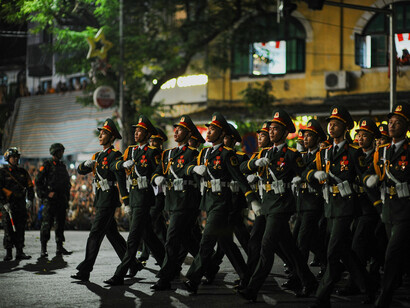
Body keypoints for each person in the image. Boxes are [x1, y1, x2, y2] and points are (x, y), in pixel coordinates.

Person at [238, 109, 317, 301]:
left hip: (281, 206)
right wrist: (255, 163)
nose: (271, 132)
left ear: (284, 132)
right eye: (270, 129)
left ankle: (252, 289)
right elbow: (242, 168)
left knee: (266, 246)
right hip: (267, 205)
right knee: (290, 249)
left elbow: (305, 171)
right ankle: (309, 281)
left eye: (276, 129)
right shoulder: (264, 152)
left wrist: (302, 179)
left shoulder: (290, 155)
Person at [303, 106, 374, 307]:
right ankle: (369, 286)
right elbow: (305, 172)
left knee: (333, 251)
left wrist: (373, 191)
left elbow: (364, 174)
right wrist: (314, 176)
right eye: (329, 123)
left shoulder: (353, 152)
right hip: (330, 207)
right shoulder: (324, 153)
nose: (331, 126)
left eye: (335, 124)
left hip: (347, 207)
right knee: (344, 252)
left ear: (345, 128)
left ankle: (321, 296)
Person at [183, 112, 260, 294]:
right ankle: (246, 276)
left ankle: (193, 279)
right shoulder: (204, 152)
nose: (209, 132)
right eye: (209, 128)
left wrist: (252, 200)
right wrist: (193, 168)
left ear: (222, 133)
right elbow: (186, 168)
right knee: (226, 243)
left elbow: (239, 178)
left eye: (213, 129)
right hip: (208, 201)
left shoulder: (227, 154)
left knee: (207, 240)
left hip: (222, 203)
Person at [71, 119, 143, 282]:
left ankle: (85, 270)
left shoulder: (115, 155)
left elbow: (120, 179)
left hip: (109, 199)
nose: (100, 135)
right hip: (100, 199)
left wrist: (125, 201)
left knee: (95, 234)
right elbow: (81, 171)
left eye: (104, 133)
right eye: (100, 133)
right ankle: (133, 263)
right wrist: (84, 164)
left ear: (111, 138)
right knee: (112, 234)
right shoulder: (98, 156)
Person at [104, 115, 165, 286]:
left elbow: (159, 169)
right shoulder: (130, 151)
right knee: (149, 236)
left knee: (133, 238)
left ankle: (119, 274)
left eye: (140, 131)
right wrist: (121, 165)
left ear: (147, 135)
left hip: (145, 198)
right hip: (134, 197)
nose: (136, 133)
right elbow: (112, 166)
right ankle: (169, 267)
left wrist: (156, 177)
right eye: (136, 130)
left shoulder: (153, 152)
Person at [364, 103, 410, 308]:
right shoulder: (381, 151)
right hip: (388, 208)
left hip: (406, 209)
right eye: (390, 122)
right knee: (399, 252)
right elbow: (365, 171)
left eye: (397, 122)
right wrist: (370, 180)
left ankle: (385, 297)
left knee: (392, 254)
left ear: (406, 126)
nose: (391, 125)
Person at [150, 115, 202, 290]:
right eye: (176, 129)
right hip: (172, 201)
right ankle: (208, 266)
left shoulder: (195, 154)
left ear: (188, 134)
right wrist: (157, 178)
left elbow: (195, 175)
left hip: (187, 201)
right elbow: (157, 171)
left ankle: (165, 278)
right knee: (187, 240)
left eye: (180, 129)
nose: (176, 131)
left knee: (171, 239)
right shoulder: (168, 154)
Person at [35, 143, 72, 257]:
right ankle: (43, 249)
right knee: (47, 224)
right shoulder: (47, 165)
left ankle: (59, 247)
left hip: (61, 200)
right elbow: (38, 181)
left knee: (60, 224)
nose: (62, 153)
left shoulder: (62, 165)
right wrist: (46, 194)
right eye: (60, 151)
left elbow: (67, 183)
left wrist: (67, 198)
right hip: (50, 201)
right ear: (55, 152)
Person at [139, 127, 168, 263]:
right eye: (151, 140)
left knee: (148, 222)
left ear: (160, 142)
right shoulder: (148, 154)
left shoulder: (163, 156)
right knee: (159, 226)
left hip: (161, 193)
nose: (152, 143)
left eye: (155, 141)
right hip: (150, 193)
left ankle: (146, 253)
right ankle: (164, 251)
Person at [0, 147, 34, 261]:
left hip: (20, 205)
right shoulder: (2, 172)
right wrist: (4, 203)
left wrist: (30, 199)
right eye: (13, 157)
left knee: (20, 229)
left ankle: (20, 251)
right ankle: (8, 252)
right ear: (8, 158)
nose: (15, 159)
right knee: (8, 229)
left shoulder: (23, 172)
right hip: (8, 205)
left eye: (16, 157)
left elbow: (30, 187)